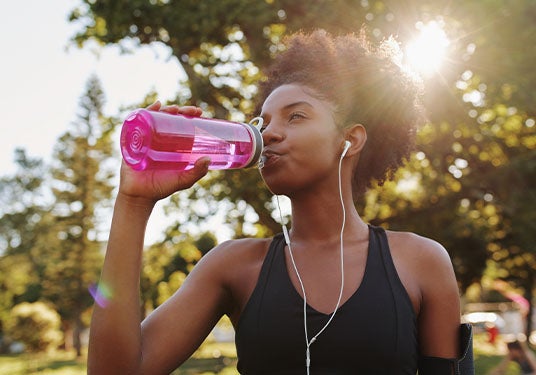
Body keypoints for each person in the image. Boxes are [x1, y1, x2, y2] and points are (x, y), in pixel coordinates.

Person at [87, 29, 473, 374]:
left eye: (296, 117)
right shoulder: (234, 266)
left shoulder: (420, 262)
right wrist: (132, 204)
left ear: (350, 140)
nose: (269, 133)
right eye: (264, 122)